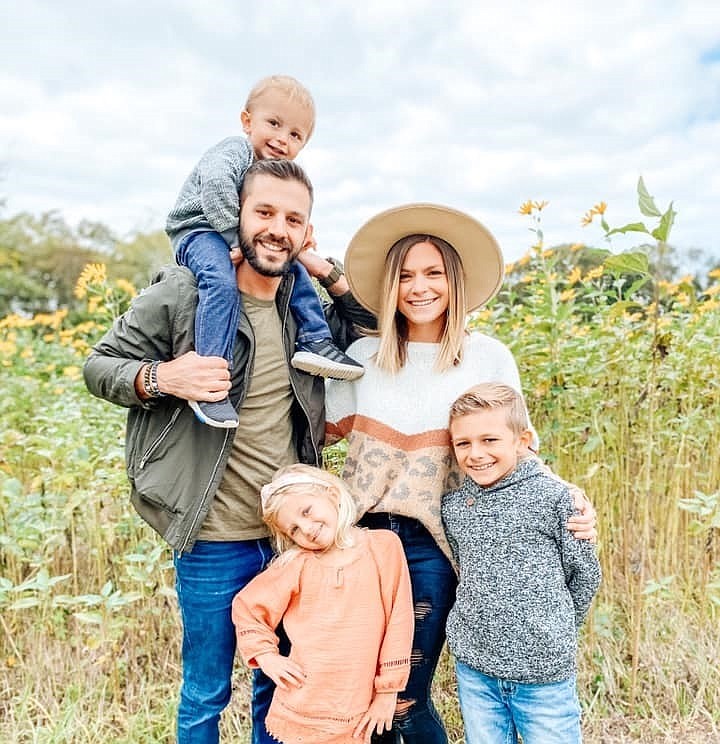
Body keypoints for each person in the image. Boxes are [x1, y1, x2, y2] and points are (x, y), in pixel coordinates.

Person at [83, 159, 375, 744]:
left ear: (307, 230)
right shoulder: (186, 294)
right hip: (214, 533)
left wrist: (327, 271)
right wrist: (165, 378)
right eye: (263, 212)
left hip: (294, 535)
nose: (277, 229)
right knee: (207, 689)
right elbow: (99, 366)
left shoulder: (302, 306)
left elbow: (369, 328)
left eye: (294, 219)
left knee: (282, 680)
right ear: (235, 215)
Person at [324, 203, 597, 744]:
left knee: (403, 695)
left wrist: (570, 497)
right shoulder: (361, 355)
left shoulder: (488, 356)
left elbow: (518, 446)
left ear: (455, 281)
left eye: (433, 273)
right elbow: (313, 436)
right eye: (404, 275)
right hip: (362, 539)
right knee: (361, 690)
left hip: (439, 540)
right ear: (387, 286)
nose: (418, 287)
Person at [166, 73, 362, 428]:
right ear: (246, 121)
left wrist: (298, 242)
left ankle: (315, 339)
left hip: (236, 233)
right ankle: (211, 379)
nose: (282, 138)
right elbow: (215, 188)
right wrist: (236, 239)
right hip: (200, 228)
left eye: (295, 135)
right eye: (274, 123)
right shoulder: (234, 151)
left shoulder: (276, 175)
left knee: (293, 267)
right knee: (220, 280)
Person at [442, 382, 601, 743]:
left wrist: (553, 628)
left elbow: (584, 575)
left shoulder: (556, 499)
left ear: (523, 440)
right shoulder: (454, 507)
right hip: (476, 668)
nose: (475, 453)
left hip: (543, 673)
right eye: (463, 443)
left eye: (490, 440)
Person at [231, 463, 414, 744]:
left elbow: (399, 622)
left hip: (360, 704)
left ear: (331, 493)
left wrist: (388, 692)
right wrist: (266, 657)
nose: (306, 528)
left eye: (307, 511)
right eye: (293, 529)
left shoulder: (383, 547)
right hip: (307, 703)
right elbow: (248, 607)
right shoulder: (297, 565)